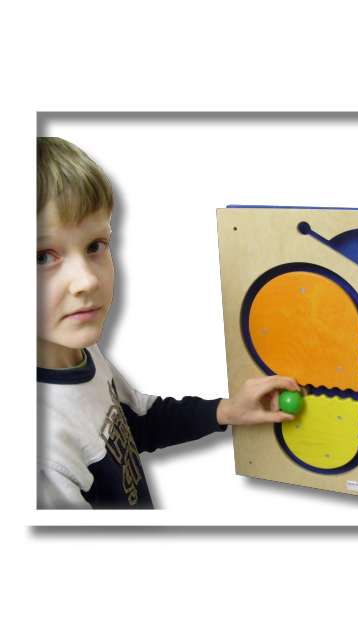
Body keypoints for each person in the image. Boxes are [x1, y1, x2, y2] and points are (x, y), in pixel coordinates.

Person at [36, 137, 299, 509]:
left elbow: (133, 422)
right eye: (42, 257)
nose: (88, 281)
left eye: (95, 245)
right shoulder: (41, 461)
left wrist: (226, 410)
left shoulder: (79, 350)